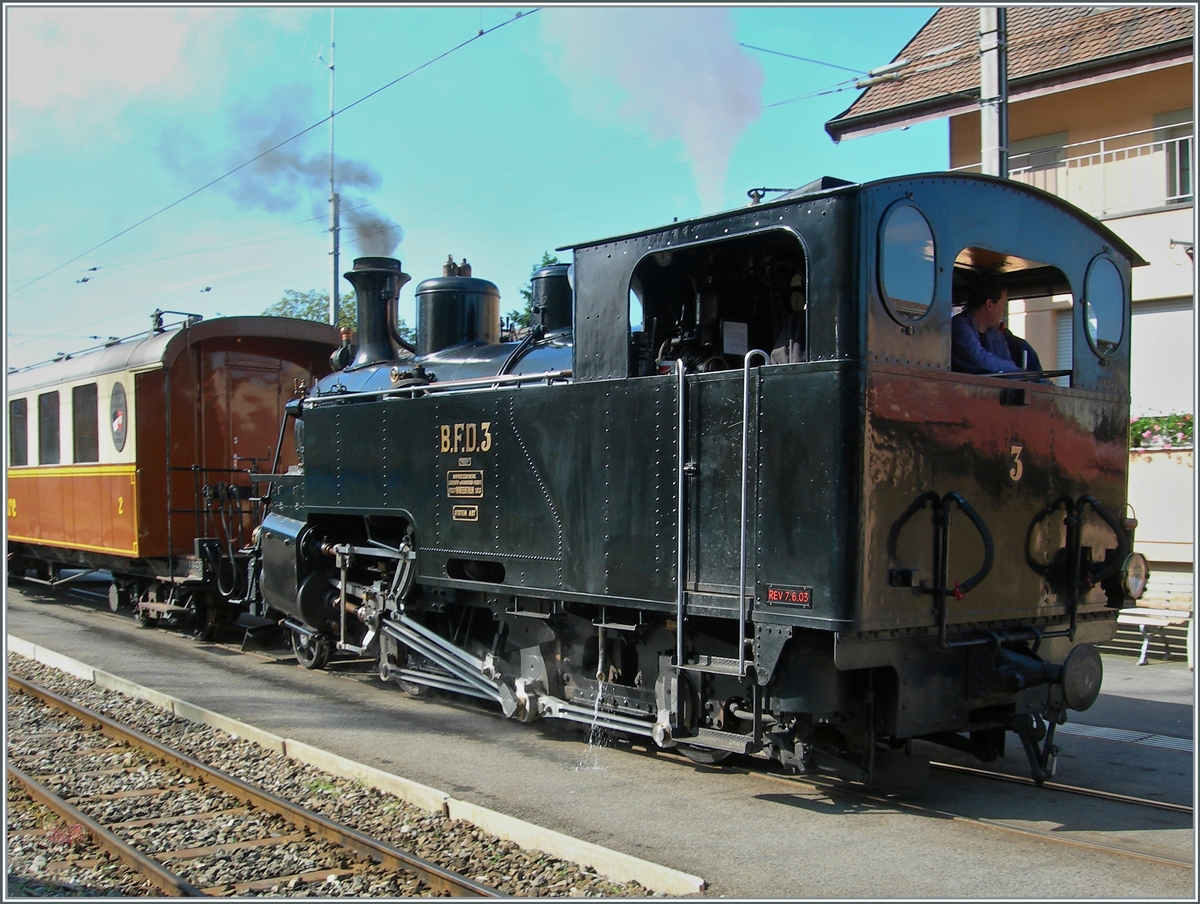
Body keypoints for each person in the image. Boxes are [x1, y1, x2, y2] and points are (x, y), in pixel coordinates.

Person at [951, 281, 1021, 374]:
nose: (1004, 311)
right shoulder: (959, 327)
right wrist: (1018, 372)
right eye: (1003, 305)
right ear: (989, 304)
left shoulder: (996, 335)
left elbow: (1007, 365)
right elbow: (979, 360)